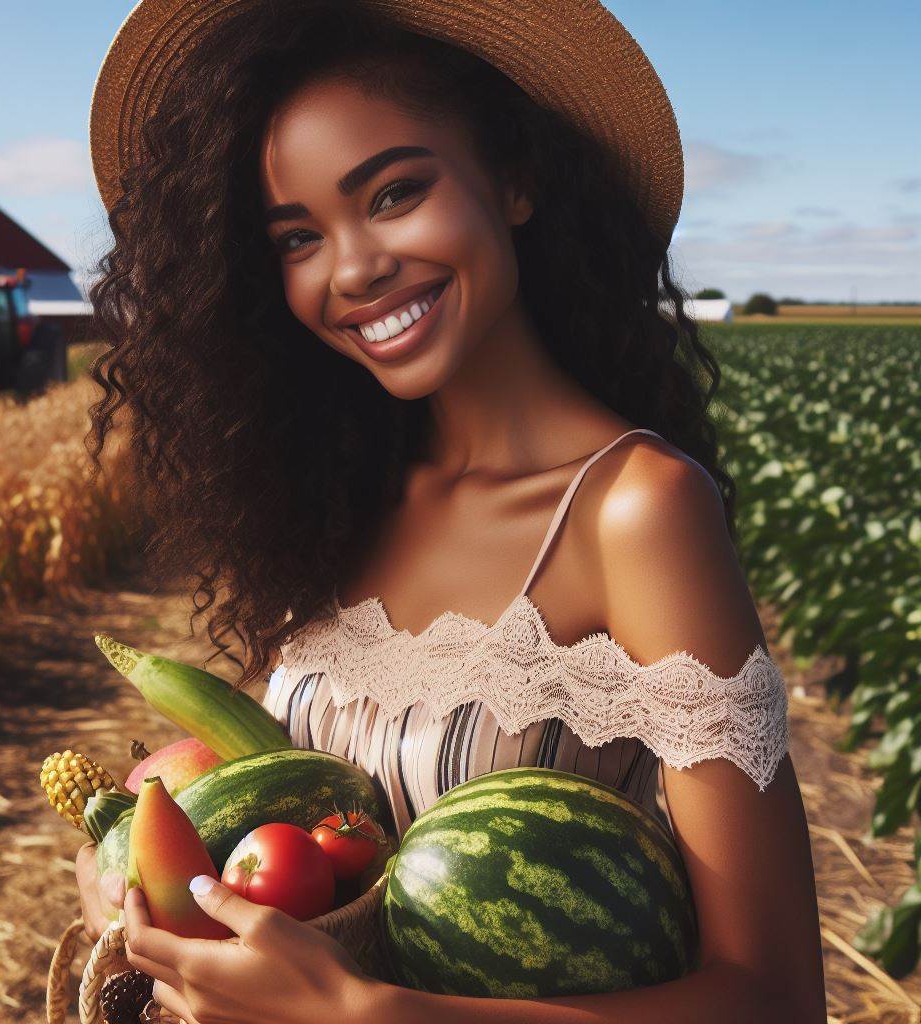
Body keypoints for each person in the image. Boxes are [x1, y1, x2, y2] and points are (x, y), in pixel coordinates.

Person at [76, 1, 827, 1021]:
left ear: (513, 178)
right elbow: (284, 822)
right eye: (297, 237)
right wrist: (142, 878)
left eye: (393, 192)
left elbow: (771, 997)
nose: (352, 269)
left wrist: (366, 1016)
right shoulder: (340, 500)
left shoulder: (635, 511)